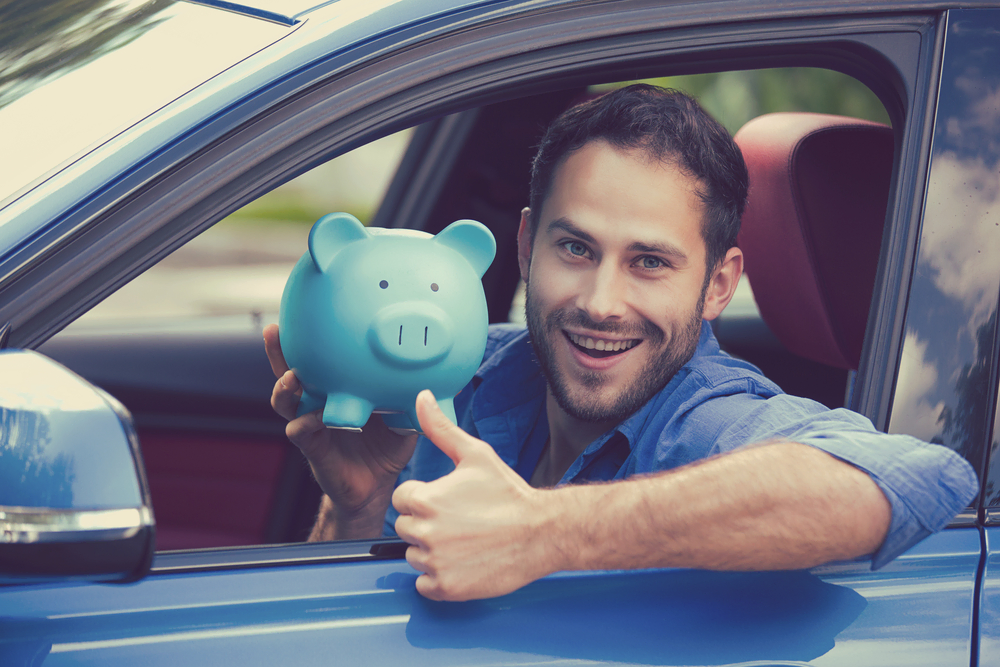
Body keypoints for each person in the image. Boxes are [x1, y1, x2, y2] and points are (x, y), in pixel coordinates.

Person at [264, 84, 978, 602]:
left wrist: (543, 532)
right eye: (575, 247)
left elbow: (915, 477)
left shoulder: (712, 419)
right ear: (524, 244)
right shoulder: (457, 377)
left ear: (718, 285)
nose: (601, 303)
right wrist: (353, 509)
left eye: (650, 261)